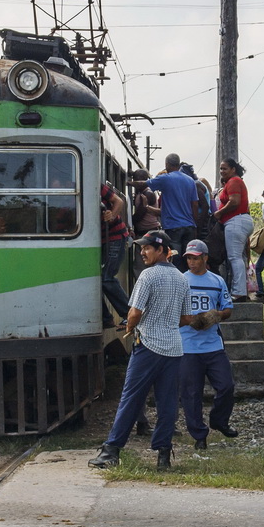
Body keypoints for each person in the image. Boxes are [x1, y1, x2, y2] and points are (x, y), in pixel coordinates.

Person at [89, 230, 194, 473]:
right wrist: (165, 321)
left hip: (148, 346)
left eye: (147, 248)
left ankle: (111, 452)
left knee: (131, 398)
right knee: (167, 403)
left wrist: (132, 325)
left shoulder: (147, 276)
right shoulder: (182, 279)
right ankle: (163, 456)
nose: (142, 252)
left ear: (160, 250)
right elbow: (187, 318)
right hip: (174, 348)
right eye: (141, 248)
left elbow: (134, 313)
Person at [179, 239, 237, 450]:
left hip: (213, 345)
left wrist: (217, 315)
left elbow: (228, 309)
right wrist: (189, 320)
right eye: (188, 258)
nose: (191, 262)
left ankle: (219, 420)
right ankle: (199, 435)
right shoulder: (180, 281)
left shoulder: (217, 281)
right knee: (191, 393)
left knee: (226, 386)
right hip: (187, 346)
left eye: (195, 258)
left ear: (205, 258)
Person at [138, 153, 199, 264]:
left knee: (175, 258)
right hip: (189, 226)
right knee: (189, 258)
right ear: (179, 164)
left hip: (173, 227)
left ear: (166, 164)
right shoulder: (190, 181)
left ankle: (176, 280)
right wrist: (195, 225)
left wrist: (129, 182)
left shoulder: (165, 179)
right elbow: (195, 205)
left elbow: (143, 184)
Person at [215, 158, 254, 301]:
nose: (222, 171)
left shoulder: (234, 182)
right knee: (240, 257)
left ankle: (238, 292)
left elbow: (234, 201)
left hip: (235, 221)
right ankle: (242, 290)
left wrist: (219, 213)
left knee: (234, 257)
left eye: (225, 168)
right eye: (220, 169)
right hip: (240, 221)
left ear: (233, 169)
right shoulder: (234, 182)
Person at [100, 182, 130, 327]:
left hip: (115, 236)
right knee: (93, 280)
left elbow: (118, 201)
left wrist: (111, 215)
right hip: (100, 240)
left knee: (106, 277)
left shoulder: (94, 184)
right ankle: (106, 319)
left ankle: (129, 314)